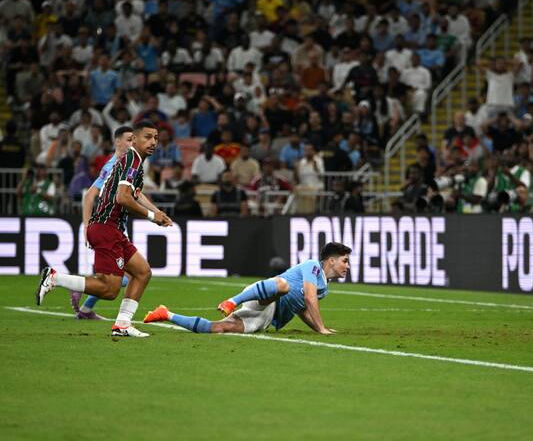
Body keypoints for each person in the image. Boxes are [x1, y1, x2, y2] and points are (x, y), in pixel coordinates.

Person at [35, 121, 173, 338]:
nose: (153, 142)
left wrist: (157, 213)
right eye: (147, 137)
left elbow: (132, 194)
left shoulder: (132, 162)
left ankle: (122, 324)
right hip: (106, 228)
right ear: (134, 140)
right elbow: (122, 197)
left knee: (142, 272)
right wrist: (151, 216)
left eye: (155, 137)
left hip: (113, 228)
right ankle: (54, 278)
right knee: (109, 290)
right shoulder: (132, 161)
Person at [143, 242, 351, 335]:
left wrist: (317, 328)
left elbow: (301, 308)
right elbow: (309, 300)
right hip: (266, 294)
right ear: (331, 261)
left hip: (267, 317)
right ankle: (232, 301)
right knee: (283, 285)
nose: (347, 266)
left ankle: (166, 314)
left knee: (219, 328)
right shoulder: (313, 267)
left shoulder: (324, 287)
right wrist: (322, 328)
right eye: (344, 261)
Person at [72, 126, 140, 319]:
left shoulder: (121, 164)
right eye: (128, 139)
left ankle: (85, 310)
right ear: (117, 142)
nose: (132, 143)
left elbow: (89, 196)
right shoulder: (114, 166)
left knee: (119, 277)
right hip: (109, 227)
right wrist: (86, 226)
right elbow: (88, 196)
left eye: (133, 140)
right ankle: (79, 284)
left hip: (115, 227)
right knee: (129, 276)